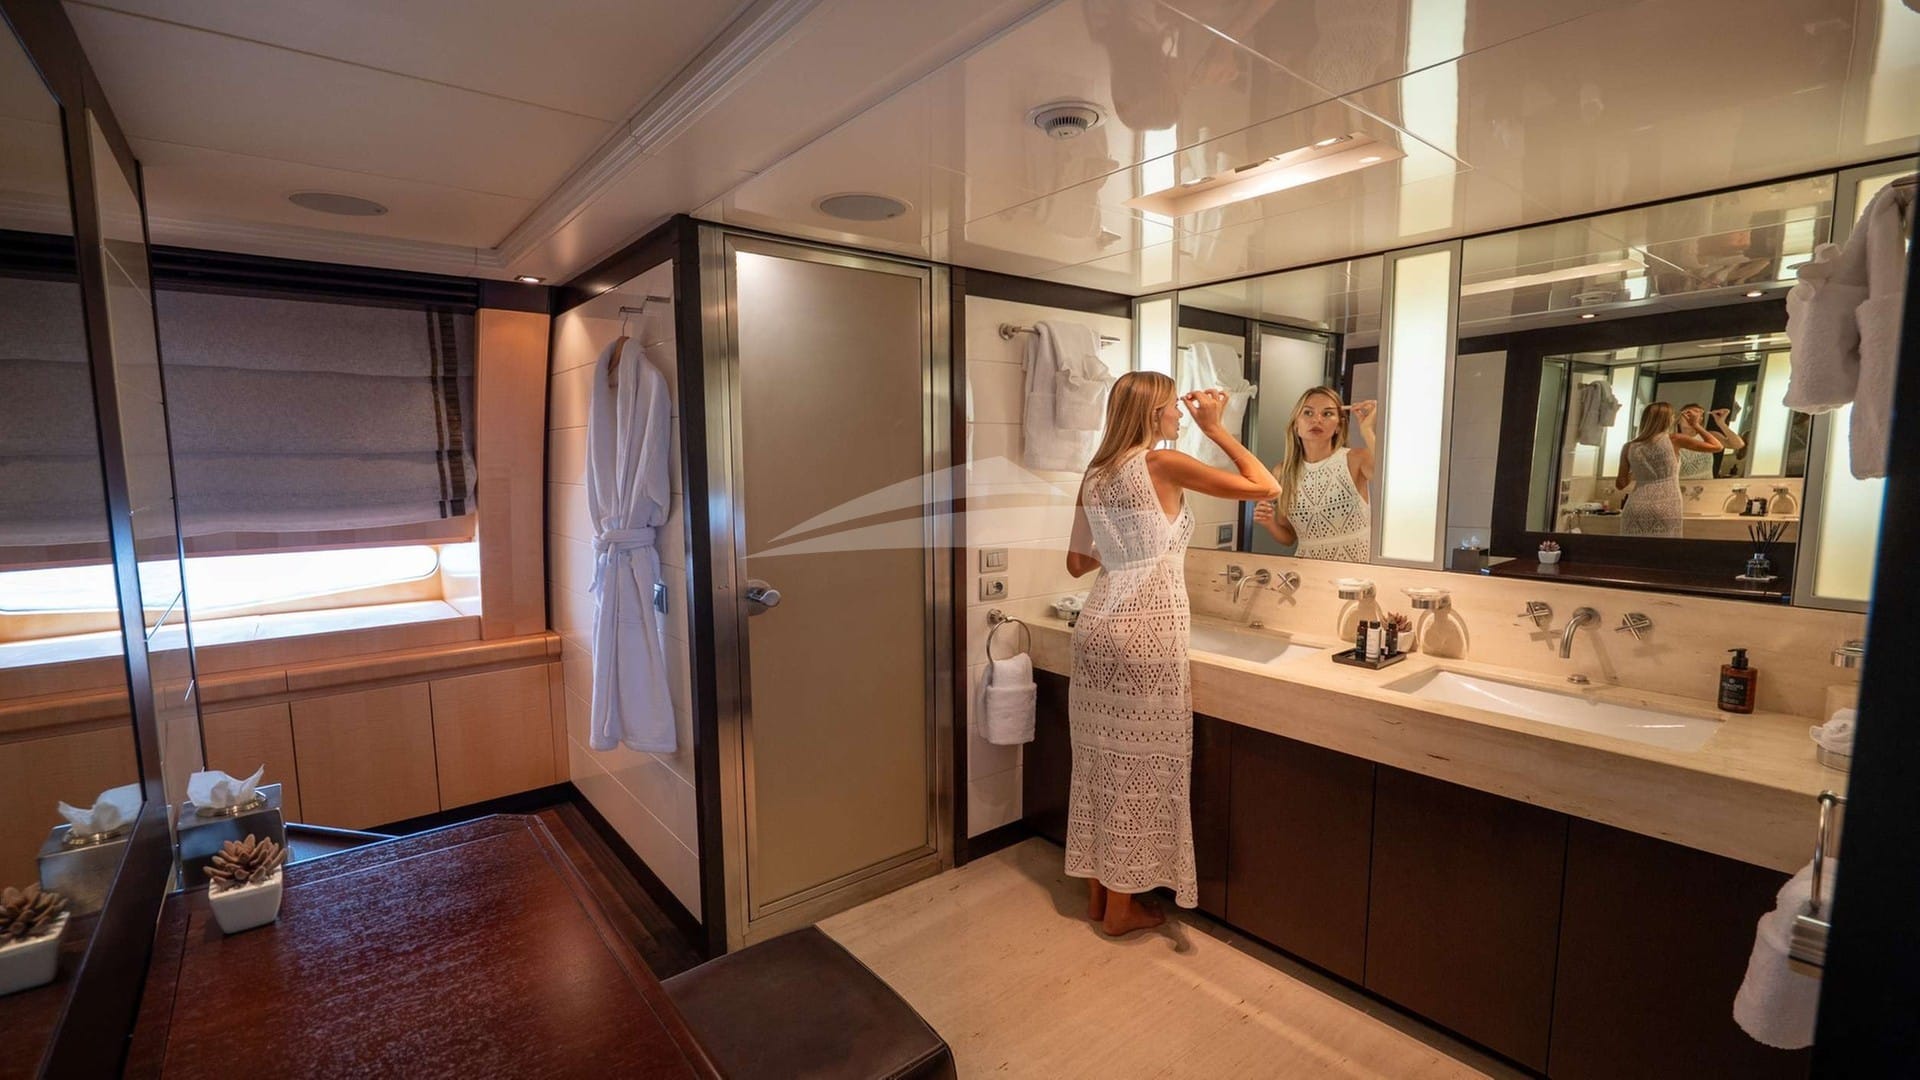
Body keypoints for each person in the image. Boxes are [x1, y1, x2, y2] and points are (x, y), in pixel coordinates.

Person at [1064, 373, 1278, 936]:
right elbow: (1266, 487)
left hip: (1097, 626)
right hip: (1146, 632)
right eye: (1173, 408)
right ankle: (1121, 910)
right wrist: (1217, 428)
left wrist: (1128, 553)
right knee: (1139, 769)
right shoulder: (1162, 463)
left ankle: (1098, 897)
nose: (1181, 416)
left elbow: (1077, 564)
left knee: (1100, 764)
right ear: (1151, 413)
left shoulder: (1095, 474)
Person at [1251, 387, 1378, 561]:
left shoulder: (1356, 459)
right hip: (1307, 570)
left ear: (1338, 426)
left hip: (1355, 572)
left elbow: (1393, 481)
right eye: (1308, 413)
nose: (1317, 419)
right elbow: (1289, 537)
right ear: (1296, 424)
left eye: (1327, 414)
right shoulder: (1282, 472)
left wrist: (1367, 430)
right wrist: (1269, 523)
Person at [1616, 402, 1722, 537]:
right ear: (1668, 420)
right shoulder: (1674, 440)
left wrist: (1640, 468)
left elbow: (1620, 484)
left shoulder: (1629, 447)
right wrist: (1695, 425)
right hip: (1666, 506)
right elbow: (1717, 446)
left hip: (1635, 508)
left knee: (1632, 549)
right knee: (1666, 548)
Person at [1676, 403, 1745, 478]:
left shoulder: (1710, 437)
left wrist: (1721, 423)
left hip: (1707, 484)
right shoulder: (1673, 439)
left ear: (1701, 419)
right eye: (1688, 414)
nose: (1691, 418)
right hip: (1681, 484)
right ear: (1679, 419)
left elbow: (1739, 444)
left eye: (1697, 414)